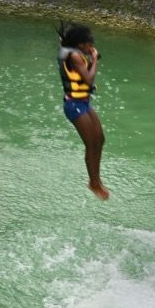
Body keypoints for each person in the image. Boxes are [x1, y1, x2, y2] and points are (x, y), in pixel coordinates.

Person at [57, 21, 109, 200]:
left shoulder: (75, 51)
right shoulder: (74, 57)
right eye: (89, 44)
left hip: (84, 103)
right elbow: (88, 80)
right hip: (73, 105)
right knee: (91, 143)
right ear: (80, 44)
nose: (92, 47)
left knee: (100, 139)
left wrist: (90, 54)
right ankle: (93, 182)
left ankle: (97, 179)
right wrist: (94, 60)